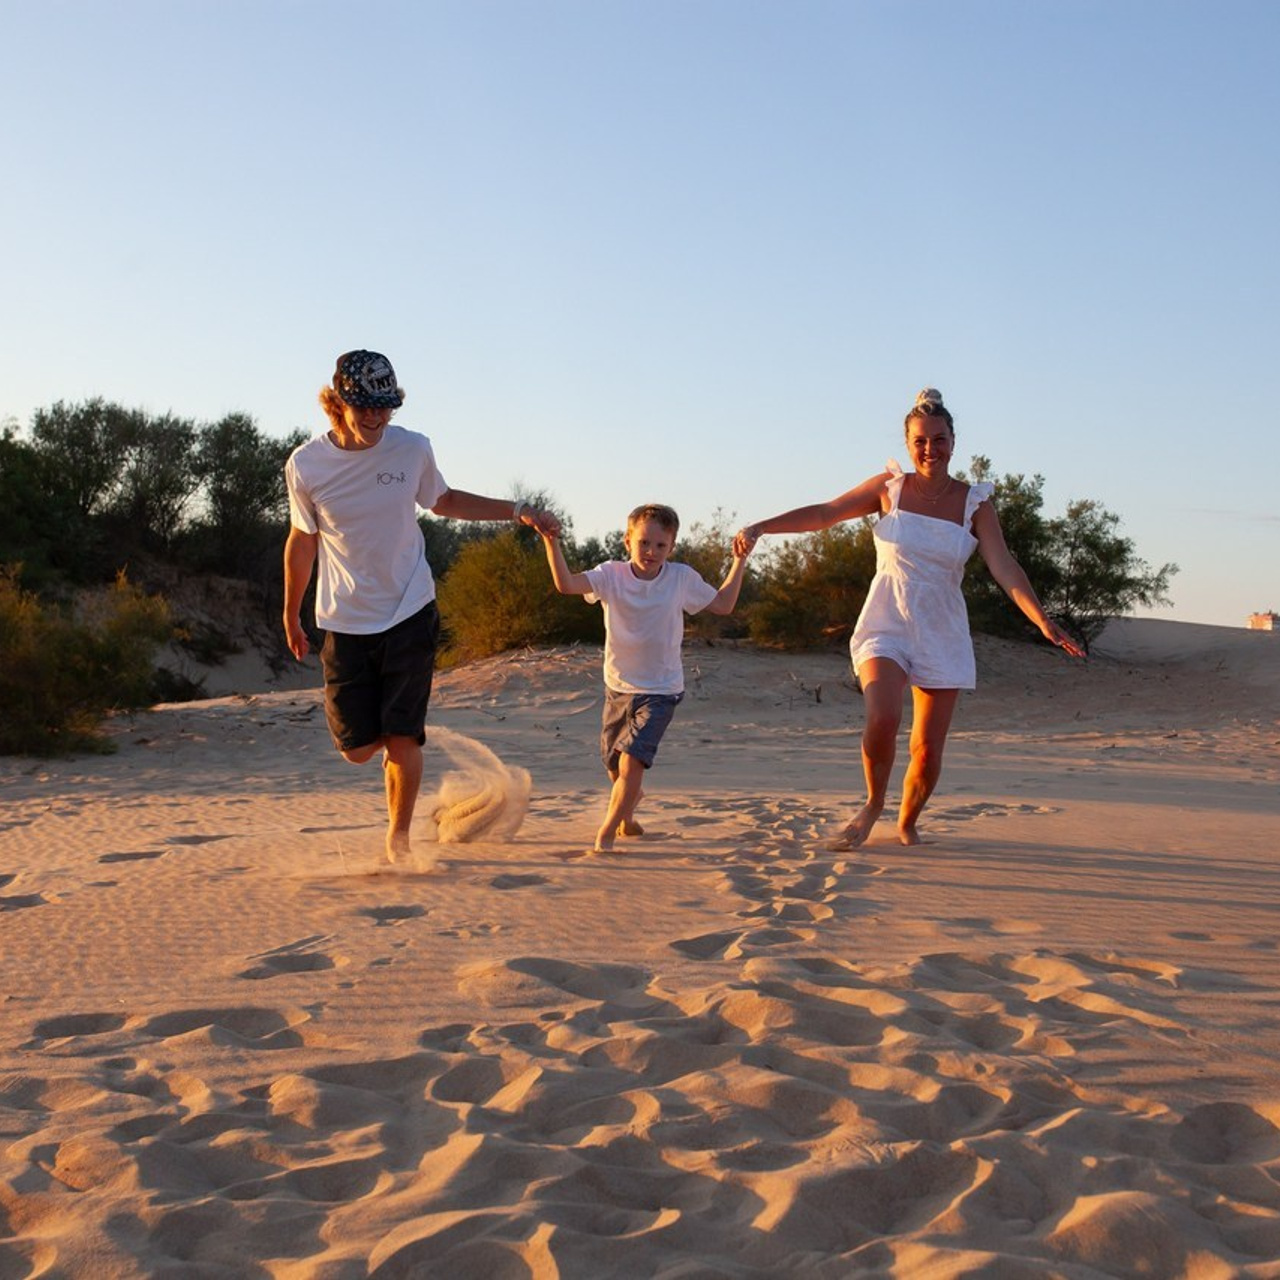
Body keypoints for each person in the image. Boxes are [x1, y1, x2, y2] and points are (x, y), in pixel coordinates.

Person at [734, 388, 1084, 850]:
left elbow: (1004, 567)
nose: (929, 450)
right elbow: (825, 513)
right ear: (907, 443)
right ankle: (873, 803)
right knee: (882, 717)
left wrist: (1042, 620)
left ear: (953, 442)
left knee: (925, 750)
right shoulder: (889, 489)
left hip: (941, 630)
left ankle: (908, 821)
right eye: (920, 441)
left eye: (938, 440)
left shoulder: (974, 504)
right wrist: (761, 526)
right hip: (887, 621)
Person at [282, 349, 559, 864]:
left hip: (410, 608)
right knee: (357, 749)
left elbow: (445, 500)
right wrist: (290, 610)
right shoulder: (307, 464)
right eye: (364, 406)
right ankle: (396, 778)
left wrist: (517, 511)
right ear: (338, 401)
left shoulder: (412, 450)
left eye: (385, 407)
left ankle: (399, 839)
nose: (375, 418)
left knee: (401, 736)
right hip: (344, 618)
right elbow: (302, 539)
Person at [539, 503, 751, 853]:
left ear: (671, 547)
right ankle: (628, 814)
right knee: (614, 767)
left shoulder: (680, 578)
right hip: (618, 687)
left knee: (630, 760)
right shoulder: (610, 575)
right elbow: (566, 584)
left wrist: (740, 560)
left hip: (661, 690)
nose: (651, 552)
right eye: (644, 543)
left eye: (660, 546)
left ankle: (606, 833)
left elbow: (724, 604)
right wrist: (552, 541)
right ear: (627, 541)